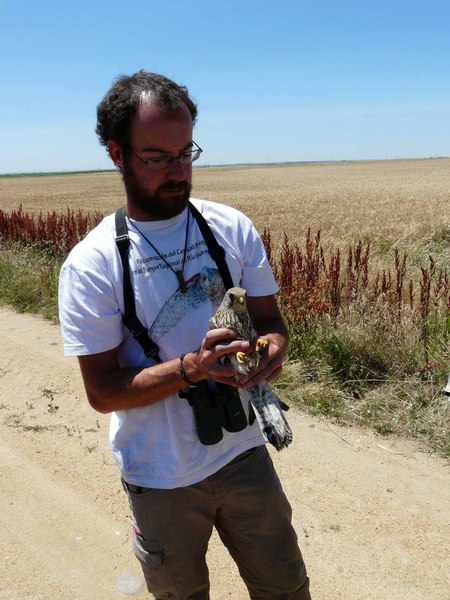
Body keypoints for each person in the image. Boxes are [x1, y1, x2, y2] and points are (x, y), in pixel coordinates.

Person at [58, 70, 311, 599]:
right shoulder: (93, 265)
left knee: (285, 587)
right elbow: (102, 392)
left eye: (185, 153)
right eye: (156, 157)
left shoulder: (232, 228)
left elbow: (271, 322)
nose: (177, 171)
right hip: (160, 475)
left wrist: (270, 355)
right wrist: (192, 368)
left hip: (244, 452)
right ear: (116, 153)